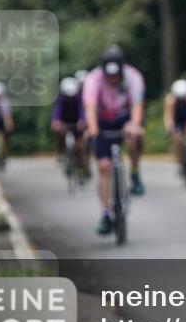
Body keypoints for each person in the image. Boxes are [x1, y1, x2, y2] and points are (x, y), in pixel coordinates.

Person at [82, 45, 146, 235]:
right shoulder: (93, 80)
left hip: (125, 118)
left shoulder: (134, 77)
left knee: (134, 135)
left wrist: (134, 125)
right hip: (102, 122)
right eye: (109, 76)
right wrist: (93, 130)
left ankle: (134, 171)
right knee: (103, 167)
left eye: (116, 75)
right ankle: (105, 213)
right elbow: (90, 107)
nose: (113, 79)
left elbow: (137, 105)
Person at [50, 76, 88, 178]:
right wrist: (56, 121)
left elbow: (82, 110)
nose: (70, 98)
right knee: (59, 131)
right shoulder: (60, 98)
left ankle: (81, 168)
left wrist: (82, 121)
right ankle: (61, 151)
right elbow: (57, 110)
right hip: (65, 121)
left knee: (80, 147)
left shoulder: (79, 98)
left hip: (77, 122)